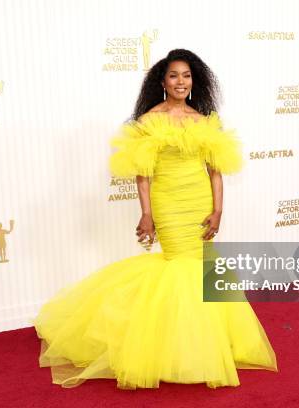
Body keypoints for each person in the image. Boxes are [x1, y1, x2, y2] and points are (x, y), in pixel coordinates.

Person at [32, 49, 278, 390]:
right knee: (180, 267)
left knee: (202, 267)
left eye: (187, 76)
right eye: (174, 76)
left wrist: (218, 209)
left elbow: (216, 171)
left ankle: (199, 344)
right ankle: (173, 348)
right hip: (168, 202)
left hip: (199, 200)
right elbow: (143, 175)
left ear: (195, 82)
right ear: (162, 81)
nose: (181, 82)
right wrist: (146, 213)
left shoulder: (204, 119)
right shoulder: (149, 120)